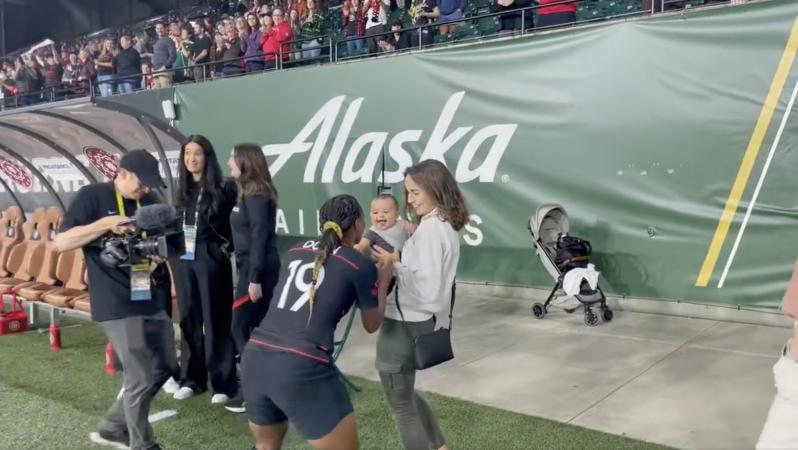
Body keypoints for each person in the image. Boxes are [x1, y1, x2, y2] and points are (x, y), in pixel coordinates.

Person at [241, 194, 393, 450]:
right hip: (301, 364)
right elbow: (372, 324)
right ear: (358, 223)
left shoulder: (294, 250)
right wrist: (385, 276)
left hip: (255, 356)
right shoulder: (359, 264)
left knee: (266, 446)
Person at [55, 149, 176, 450]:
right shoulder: (92, 196)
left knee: (166, 366)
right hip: (115, 300)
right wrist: (106, 224)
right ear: (122, 173)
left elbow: (163, 242)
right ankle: (142, 445)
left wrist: (158, 257)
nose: (145, 189)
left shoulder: (150, 200)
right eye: (140, 182)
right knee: (140, 376)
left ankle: (113, 427)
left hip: (148, 293)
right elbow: (61, 242)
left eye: (149, 184)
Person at [372, 159, 469, 450]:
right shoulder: (440, 225)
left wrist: (393, 264)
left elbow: (428, 290)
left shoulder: (431, 230)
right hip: (416, 322)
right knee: (405, 396)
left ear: (434, 188)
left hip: (403, 325)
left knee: (401, 405)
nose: (410, 200)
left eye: (415, 192)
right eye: (408, 193)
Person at [169, 135, 239, 404]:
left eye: (196, 153)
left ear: (207, 157)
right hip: (183, 258)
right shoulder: (182, 189)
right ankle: (191, 379)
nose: (191, 159)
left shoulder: (224, 188)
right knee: (188, 318)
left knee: (216, 319)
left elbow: (235, 224)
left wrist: (224, 249)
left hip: (210, 257)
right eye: (187, 153)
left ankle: (221, 383)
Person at [225, 143, 281, 413]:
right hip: (249, 271)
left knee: (239, 329)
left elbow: (260, 238)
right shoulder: (247, 193)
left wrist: (255, 279)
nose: (229, 163)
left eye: (233, 158)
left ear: (245, 162)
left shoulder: (257, 196)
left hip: (256, 274)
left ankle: (253, 390)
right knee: (254, 330)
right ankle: (264, 388)